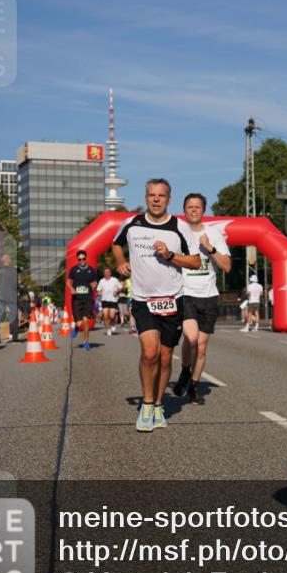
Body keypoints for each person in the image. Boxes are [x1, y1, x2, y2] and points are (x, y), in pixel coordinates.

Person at [113, 178, 202, 432]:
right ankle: (147, 405)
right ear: (145, 197)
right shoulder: (131, 223)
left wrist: (170, 256)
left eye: (160, 196)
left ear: (168, 199)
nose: (155, 199)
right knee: (149, 354)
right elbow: (116, 244)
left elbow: (195, 262)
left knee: (164, 359)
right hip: (143, 300)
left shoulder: (180, 228)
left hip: (173, 300)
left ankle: (160, 404)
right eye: (151, 195)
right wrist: (120, 262)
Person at [172, 193, 231, 404]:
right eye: (189, 207)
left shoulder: (213, 233)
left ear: (203, 210)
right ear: (184, 210)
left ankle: (194, 386)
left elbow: (226, 266)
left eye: (197, 207)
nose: (193, 210)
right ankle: (185, 371)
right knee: (191, 338)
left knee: (202, 347)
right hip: (186, 293)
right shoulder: (177, 233)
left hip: (209, 296)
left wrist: (210, 248)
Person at [67, 250, 98, 350]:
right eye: (79, 259)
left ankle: (86, 342)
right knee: (79, 323)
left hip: (88, 299)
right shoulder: (74, 269)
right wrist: (71, 288)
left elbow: (94, 282)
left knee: (85, 321)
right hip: (77, 299)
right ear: (77, 260)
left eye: (83, 259)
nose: (81, 261)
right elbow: (68, 282)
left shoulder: (92, 270)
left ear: (86, 258)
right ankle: (76, 328)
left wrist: (94, 285)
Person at [0, 254, 19, 345]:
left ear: (2, 261)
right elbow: (16, 285)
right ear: (9, 261)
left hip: (0, 297)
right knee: (14, 318)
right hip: (11, 297)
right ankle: (14, 339)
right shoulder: (14, 272)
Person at [97, 268, 121, 336]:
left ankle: (113, 323)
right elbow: (99, 290)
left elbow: (120, 287)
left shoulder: (115, 280)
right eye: (105, 272)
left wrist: (117, 292)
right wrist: (99, 293)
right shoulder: (101, 281)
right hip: (104, 300)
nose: (107, 273)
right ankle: (108, 329)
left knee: (112, 316)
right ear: (104, 274)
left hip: (113, 300)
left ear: (110, 273)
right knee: (105, 316)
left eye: (108, 272)